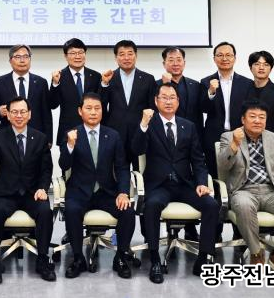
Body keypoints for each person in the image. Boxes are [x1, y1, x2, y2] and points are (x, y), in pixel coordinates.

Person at [131, 83, 218, 284]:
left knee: (211, 205)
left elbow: (198, 160)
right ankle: (155, 259)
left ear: (178, 102)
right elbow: (136, 149)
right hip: (158, 185)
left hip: (184, 184)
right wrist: (143, 124)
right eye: (164, 97)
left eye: (172, 97)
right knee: (152, 205)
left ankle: (202, 258)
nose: (168, 101)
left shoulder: (188, 126)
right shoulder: (149, 124)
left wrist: (201, 182)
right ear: (156, 101)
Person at [218, 100, 274, 265]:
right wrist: (234, 144)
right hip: (244, 191)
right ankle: (256, 254)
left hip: (272, 191)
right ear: (243, 119)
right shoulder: (228, 137)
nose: (257, 120)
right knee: (243, 205)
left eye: (262, 117)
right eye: (252, 116)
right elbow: (223, 166)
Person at [59, 92, 135, 279]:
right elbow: (64, 165)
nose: (93, 112)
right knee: (71, 210)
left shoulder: (113, 135)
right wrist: (70, 145)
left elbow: (122, 168)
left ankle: (120, 257)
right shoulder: (72, 134)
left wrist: (123, 192)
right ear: (80, 111)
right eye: (88, 108)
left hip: (107, 192)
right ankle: (78, 258)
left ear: (102, 111)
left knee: (127, 211)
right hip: (79, 191)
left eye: (97, 108)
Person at [0, 96, 55, 284]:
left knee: (45, 211)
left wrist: (43, 188)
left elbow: (46, 169)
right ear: (7, 115)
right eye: (14, 112)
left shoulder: (40, 138)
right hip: (6, 193)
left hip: (32, 193)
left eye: (23, 112)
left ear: (29, 114)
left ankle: (42, 259)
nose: (19, 115)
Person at [157, 46, 204, 241]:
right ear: (164, 63)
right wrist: (164, 84)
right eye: (171, 60)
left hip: (190, 143)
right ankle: (167, 232)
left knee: (190, 183)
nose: (175, 63)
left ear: (184, 63)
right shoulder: (156, 86)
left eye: (179, 60)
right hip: (163, 144)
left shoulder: (195, 85)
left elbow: (203, 110)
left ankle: (191, 229)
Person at [99, 39, 157, 171]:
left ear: (136, 56)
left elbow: (153, 109)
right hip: (115, 134)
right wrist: (104, 84)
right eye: (122, 54)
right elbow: (100, 106)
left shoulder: (148, 79)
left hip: (140, 134)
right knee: (116, 173)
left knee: (142, 173)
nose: (126, 58)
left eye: (130, 53)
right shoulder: (108, 78)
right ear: (116, 57)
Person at [200, 41, 254, 178]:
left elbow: (249, 111)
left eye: (228, 55)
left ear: (235, 58)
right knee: (214, 172)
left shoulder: (247, 83)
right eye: (220, 55)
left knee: (239, 172)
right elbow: (203, 108)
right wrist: (211, 92)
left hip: (239, 134)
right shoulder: (206, 82)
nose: (224, 58)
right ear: (214, 59)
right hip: (213, 135)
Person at [0, 44, 52, 142]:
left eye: (26, 56)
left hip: (36, 136)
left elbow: (46, 113)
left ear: (30, 59)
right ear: (10, 61)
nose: (22, 60)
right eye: (18, 57)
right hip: (7, 137)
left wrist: (48, 139)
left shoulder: (41, 82)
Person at [49, 38, 102, 146]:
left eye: (81, 52)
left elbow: (101, 104)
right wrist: (55, 83)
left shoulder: (95, 76)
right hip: (68, 131)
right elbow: (53, 104)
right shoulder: (59, 76)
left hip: (92, 130)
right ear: (65, 56)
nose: (77, 56)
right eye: (73, 53)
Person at [245, 50, 274, 133]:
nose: (261, 68)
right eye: (257, 64)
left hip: (270, 136)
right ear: (250, 68)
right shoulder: (244, 89)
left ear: (271, 69)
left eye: (266, 64)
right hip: (246, 136)